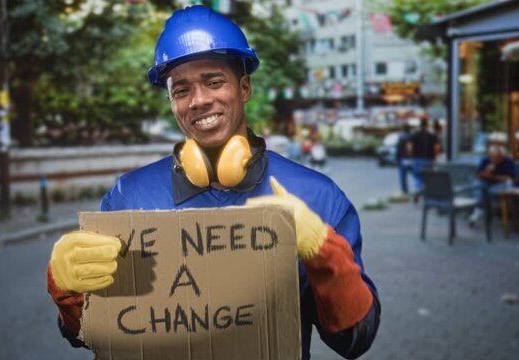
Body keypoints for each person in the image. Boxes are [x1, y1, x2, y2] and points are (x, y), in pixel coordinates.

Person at [46, 6, 380, 360]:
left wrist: (323, 253)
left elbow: (355, 339)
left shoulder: (317, 196)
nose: (199, 100)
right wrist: (69, 293)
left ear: (245, 87)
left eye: (214, 81)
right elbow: (90, 334)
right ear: (172, 101)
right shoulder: (128, 195)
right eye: (181, 90)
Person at [468, 144, 517, 225]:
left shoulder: (508, 161)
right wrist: (487, 171)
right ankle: (480, 208)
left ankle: (479, 208)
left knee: (506, 185)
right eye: (491, 157)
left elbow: (508, 178)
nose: (493, 160)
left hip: (500, 185)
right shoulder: (486, 160)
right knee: (476, 184)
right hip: (487, 184)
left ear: (501, 156)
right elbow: (480, 175)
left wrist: (492, 176)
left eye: (496, 158)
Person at [408, 118, 441, 201]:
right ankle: (427, 194)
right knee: (428, 177)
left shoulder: (414, 135)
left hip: (417, 159)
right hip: (429, 159)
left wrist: (411, 156)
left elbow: (409, 147)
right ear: (427, 125)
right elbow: (436, 148)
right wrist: (436, 156)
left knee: (417, 176)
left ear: (420, 125)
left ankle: (418, 190)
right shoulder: (432, 136)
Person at [395, 123, 412, 195]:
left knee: (403, 177)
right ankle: (418, 191)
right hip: (412, 158)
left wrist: (397, 158)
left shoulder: (401, 137)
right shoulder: (413, 137)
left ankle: (405, 191)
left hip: (403, 158)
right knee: (415, 176)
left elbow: (398, 149)